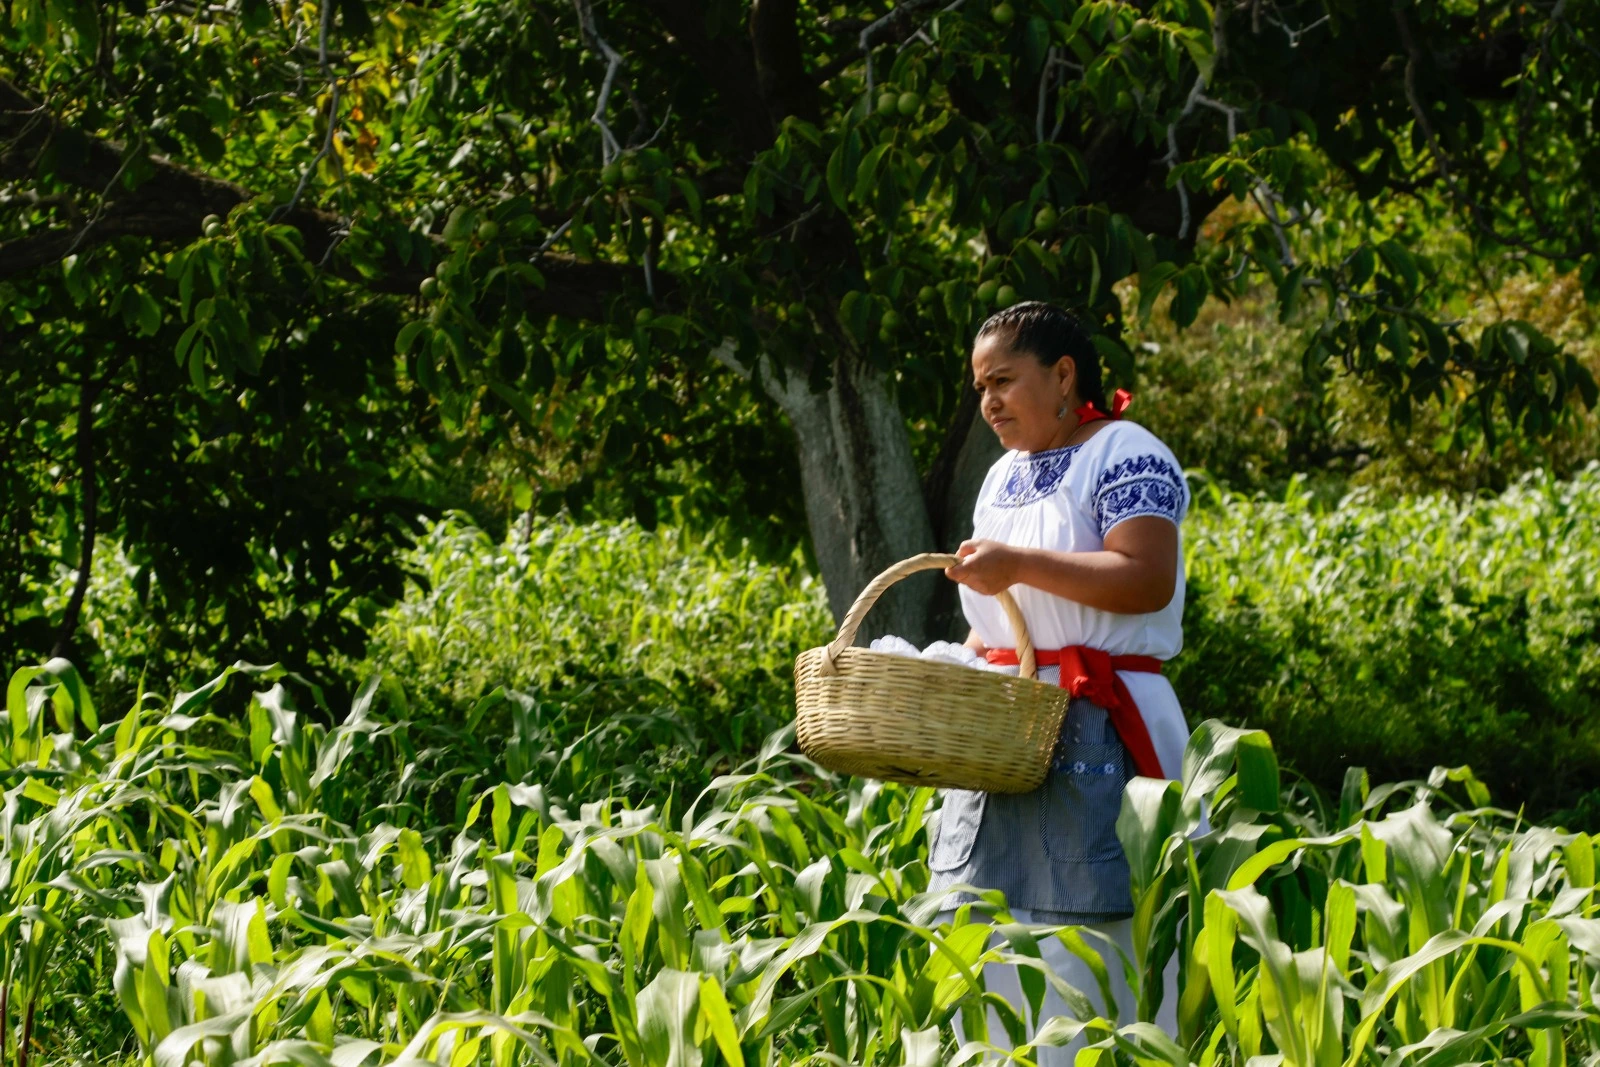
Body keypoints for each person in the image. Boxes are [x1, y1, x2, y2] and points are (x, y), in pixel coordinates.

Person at [931, 301, 1190, 1059]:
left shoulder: (1125, 452)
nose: (989, 402)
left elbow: (1145, 577)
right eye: (981, 386)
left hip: (1105, 725)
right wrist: (956, 666)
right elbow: (1004, 618)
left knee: (1098, 947)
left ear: (1064, 374)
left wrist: (1016, 566)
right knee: (987, 938)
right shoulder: (1002, 476)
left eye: (1004, 380)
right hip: (1005, 736)